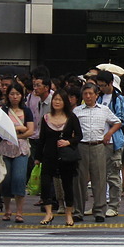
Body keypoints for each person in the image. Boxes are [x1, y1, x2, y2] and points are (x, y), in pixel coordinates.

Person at [73, 82, 122, 223]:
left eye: (91, 94)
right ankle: (78, 211)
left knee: (99, 180)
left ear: (96, 95)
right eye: (85, 94)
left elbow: (117, 122)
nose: (88, 96)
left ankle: (100, 211)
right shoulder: (77, 111)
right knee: (80, 180)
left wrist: (109, 134)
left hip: (98, 146)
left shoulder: (104, 110)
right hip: (81, 146)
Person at [34, 89, 82, 227]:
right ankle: (49, 213)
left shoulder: (71, 117)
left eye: (60, 100)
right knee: (45, 183)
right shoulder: (46, 118)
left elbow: (79, 136)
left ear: (65, 102)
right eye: (55, 99)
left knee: (67, 185)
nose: (57, 102)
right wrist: (37, 157)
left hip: (65, 157)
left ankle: (68, 214)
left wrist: (69, 142)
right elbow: (41, 139)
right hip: (49, 155)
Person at [0, 83, 34, 223]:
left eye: (17, 94)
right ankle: (7, 209)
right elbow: (0, 130)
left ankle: (19, 212)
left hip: (21, 149)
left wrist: (16, 135)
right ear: (8, 95)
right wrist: (20, 128)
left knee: (19, 178)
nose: (15, 97)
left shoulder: (27, 111)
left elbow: (31, 130)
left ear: (22, 95)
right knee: (6, 179)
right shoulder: (3, 110)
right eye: (12, 94)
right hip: (6, 148)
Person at [95, 70, 124, 217]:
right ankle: (99, 204)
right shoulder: (98, 98)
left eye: (102, 85)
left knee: (113, 175)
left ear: (110, 84)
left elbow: (121, 120)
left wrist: (109, 131)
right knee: (98, 174)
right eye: (99, 85)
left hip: (113, 141)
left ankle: (114, 205)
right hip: (99, 140)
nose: (100, 88)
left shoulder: (118, 99)